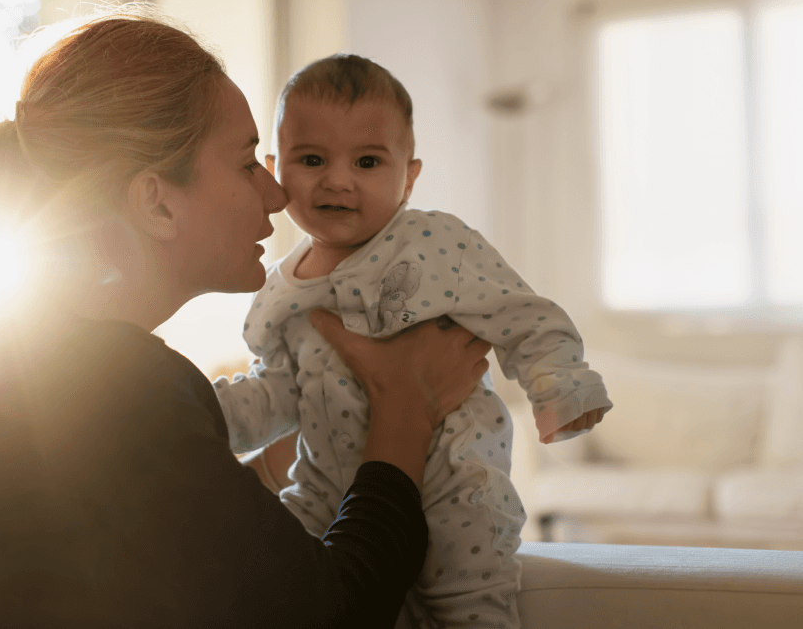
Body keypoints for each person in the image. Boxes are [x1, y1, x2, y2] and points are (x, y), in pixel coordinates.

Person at [0, 6, 496, 629]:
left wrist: (296, 449)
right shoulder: (121, 386)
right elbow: (332, 612)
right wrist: (404, 416)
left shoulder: (30, 367)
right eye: (244, 163)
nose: (277, 193)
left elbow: (178, 547)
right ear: (156, 204)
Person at [213, 54, 614, 628]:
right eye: (311, 159)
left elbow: (523, 315)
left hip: (450, 478)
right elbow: (277, 391)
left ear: (409, 176)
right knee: (276, 579)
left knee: (467, 599)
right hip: (327, 487)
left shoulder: (435, 242)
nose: (337, 179)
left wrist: (561, 388)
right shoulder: (280, 288)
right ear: (277, 169)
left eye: (368, 161)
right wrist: (209, 418)